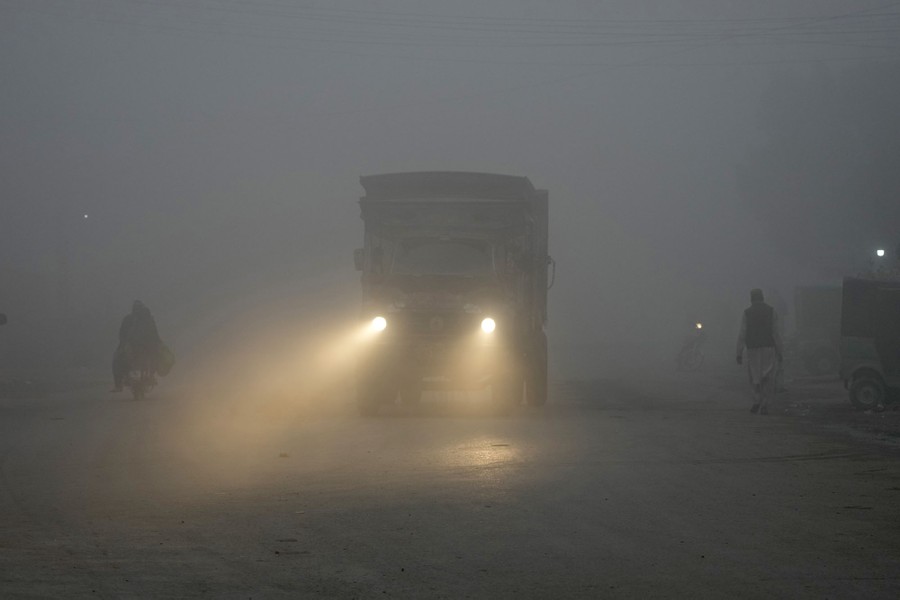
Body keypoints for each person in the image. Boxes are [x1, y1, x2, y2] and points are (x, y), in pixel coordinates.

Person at [736, 289, 783, 415]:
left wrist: (739, 352)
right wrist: (780, 351)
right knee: (767, 376)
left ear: (751, 299)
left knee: (754, 376)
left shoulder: (747, 313)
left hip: (752, 348)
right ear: (762, 297)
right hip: (768, 348)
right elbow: (776, 333)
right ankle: (765, 404)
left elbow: (742, 334)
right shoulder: (771, 311)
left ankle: (756, 401)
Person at [111, 300, 162, 392]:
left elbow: (122, 334)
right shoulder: (147, 319)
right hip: (143, 348)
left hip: (136, 347)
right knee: (156, 357)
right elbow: (155, 334)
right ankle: (151, 376)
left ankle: (118, 385)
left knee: (117, 360)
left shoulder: (130, 319)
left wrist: (123, 344)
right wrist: (157, 344)